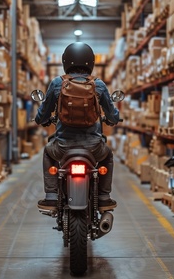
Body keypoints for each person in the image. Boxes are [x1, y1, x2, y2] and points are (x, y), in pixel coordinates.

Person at [34, 42, 121, 211]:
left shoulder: (57, 83)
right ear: (91, 62)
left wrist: (40, 119)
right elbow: (112, 114)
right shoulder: (99, 85)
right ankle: (104, 196)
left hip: (63, 147)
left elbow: (43, 113)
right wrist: (114, 119)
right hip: (93, 148)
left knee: (47, 151)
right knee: (108, 155)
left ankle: (51, 196)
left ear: (65, 61)